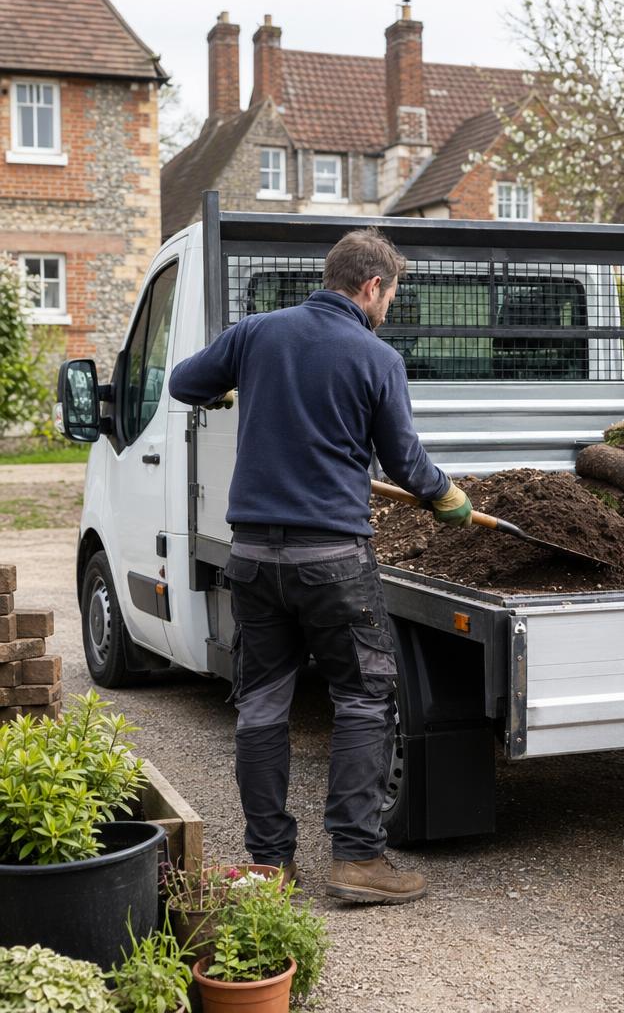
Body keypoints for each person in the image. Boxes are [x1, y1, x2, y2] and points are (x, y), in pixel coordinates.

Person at [168, 228, 471, 904]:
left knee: (262, 707)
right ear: (371, 288)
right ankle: (358, 860)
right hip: (331, 560)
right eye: (390, 294)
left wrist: (229, 390)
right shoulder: (374, 357)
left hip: (250, 557)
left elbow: (186, 382)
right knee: (363, 701)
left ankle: (271, 863)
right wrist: (445, 495)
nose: (389, 306)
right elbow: (403, 461)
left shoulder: (256, 334)